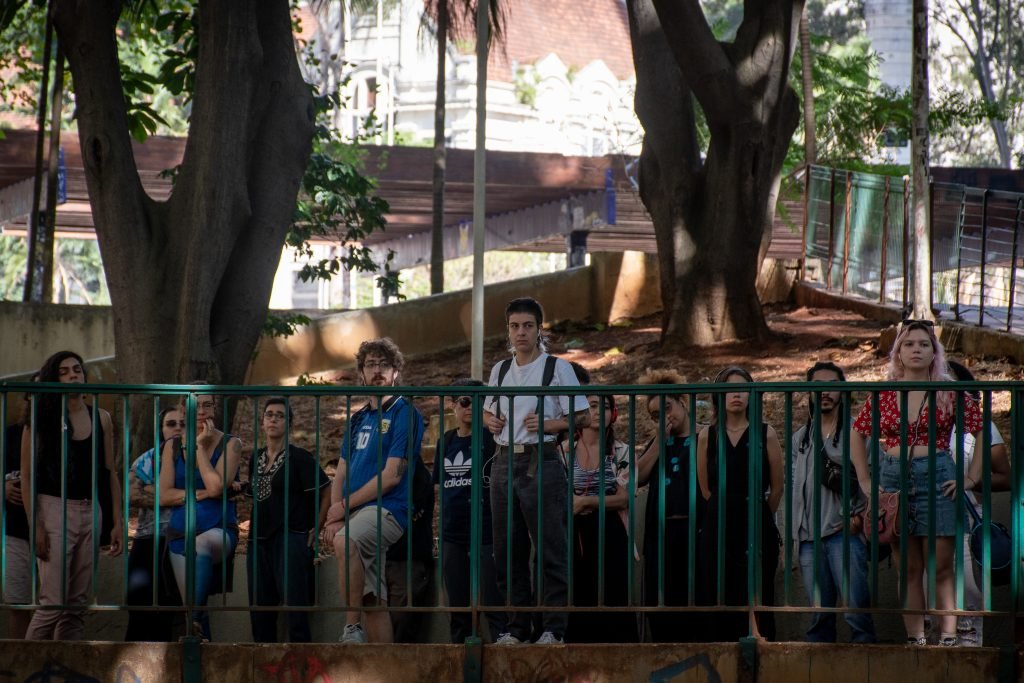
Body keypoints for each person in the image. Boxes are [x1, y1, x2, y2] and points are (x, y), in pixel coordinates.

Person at [850, 320, 984, 646]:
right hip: (895, 478)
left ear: (934, 352)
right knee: (908, 570)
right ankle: (917, 640)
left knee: (941, 568)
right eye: (909, 344)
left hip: (938, 477)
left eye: (924, 344)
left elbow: (979, 427)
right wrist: (865, 479)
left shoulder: (948, 391)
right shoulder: (885, 394)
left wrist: (971, 477)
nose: (916, 349)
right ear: (898, 351)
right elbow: (859, 432)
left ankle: (949, 639)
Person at [483, 297, 590, 645]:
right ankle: (516, 628)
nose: (521, 332)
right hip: (503, 462)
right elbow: (486, 414)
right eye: (514, 326)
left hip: (540, 459)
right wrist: (490, 420)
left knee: (549, 548)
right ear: (508, 330)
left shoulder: (557, 368)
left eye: (528, 325)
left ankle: (552, 628)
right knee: (508, 551)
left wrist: (548, 423)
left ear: (539, 329)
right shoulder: (499, 370)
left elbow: (582, 416)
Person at [326, 338, 425, 644]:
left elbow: (392, 476)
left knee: (346, 541)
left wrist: (343, 508)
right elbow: (341, 470)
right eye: (371, 364)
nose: (378, 370)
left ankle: (351, 628)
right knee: (374, 602)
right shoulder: (357, 418)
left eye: (385, 364)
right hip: (355, 512)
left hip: (389, 509)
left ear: (396, 371)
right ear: (361, 373)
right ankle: (386, 668)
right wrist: (333, 515)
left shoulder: (404, 412)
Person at [20, 351, 124, 640]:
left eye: (76, 369)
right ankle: (26, 669)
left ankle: (68, 671)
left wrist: (117, 521)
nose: (72, 375)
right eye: (64, 371)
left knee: (76, 606)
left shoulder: (101, 418)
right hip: (52, 508)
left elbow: (110, 472)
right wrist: (35, 524)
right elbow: (26, 475)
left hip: (91, 510)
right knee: (52, 603)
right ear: (54, 378)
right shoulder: (40, 418)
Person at [789, 361, 876, 644]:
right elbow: (793, 486)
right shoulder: (800, 438)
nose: (824, 392)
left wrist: (860, 518)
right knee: (818, 617)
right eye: (817, 386)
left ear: (843, 392)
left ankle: (867, 665)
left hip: (844, 535)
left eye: (831, 386)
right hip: (807, 540)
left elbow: (874, 476)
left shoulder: (857, 433)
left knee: (857, 615)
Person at [697, 365, 783, 641]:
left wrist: (758, 515)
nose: (737, 394)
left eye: (743, 389)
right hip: (718, 523)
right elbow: (705, 489)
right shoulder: (706, 436)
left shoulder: (765, 433)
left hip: (756, 520)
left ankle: (760, 650)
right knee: (718, 590)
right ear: (718, 397)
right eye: (730, 389)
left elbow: (777, 487)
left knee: (757, 590)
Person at [159, 391, 242, 641]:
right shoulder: (172, 446)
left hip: (218, 528)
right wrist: (201, 493)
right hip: (180, 531)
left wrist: (198, 448)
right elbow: (163, 495)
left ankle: (194, 624)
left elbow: (216, 487)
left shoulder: (231, 443)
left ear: (215, 409)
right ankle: (203, 663)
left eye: (208, 405)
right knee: (195, 608)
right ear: (184, 411)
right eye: (196, 406)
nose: (203, 410)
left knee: (202, 545)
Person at [246, 397, 330, 643]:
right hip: (258, 538)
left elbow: (326, 490)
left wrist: (318, 525)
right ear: (262, 422)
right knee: (259, 608)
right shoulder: (255, 458)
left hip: (290, 535)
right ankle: (263, 664)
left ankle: (301, 666)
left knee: (295, 606)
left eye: (280, 415)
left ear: (289, 424)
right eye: (269, 414)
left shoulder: (300, 458)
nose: (273, 419)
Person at [940, 360, 1009, 646]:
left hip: (965, 524)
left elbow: (1006, 478)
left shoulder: (981, 428)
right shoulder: (912, 422)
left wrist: (969, 481)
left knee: (968, 600)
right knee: (927, 607)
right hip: (922, 523)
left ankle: (970, 659)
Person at [561, 392, 638, 643]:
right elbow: (554, 496)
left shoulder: (621, 451)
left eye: (604, 407)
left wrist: (586, 501)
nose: (597, 412)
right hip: (574, 533)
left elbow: (624, 498)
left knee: (614, 597)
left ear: (612, 414)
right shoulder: (562, 451)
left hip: (611, 531)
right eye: (591, 406)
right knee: (577, 598)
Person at [635, 369, 705, 643]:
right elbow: (636, 478)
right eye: (655, 415)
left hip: (696, 534)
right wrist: (658, 445)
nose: (665, 417)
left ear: (682, 403)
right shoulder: (657, 444)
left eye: (667, 408)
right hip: (661, 537)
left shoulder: (705, 439)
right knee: (661, 605)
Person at [434, 379, 504, 643]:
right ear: (453, 406)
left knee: (494, 599)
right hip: (454, 531)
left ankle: (501, 648)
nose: (470, 407)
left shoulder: (492, 438)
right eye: (464, 401)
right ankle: (460, 658)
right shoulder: (446, 441)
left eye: (477, 401)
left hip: (487, 528)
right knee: (458, 604)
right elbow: (441, 488)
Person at [124, 406, 183, 642]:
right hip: (148, 538)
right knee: (138, 604)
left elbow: (208, 493)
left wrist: (152, 489)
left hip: (181, 539)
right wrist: (173, 495)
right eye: (170, 423)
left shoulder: (199, 458)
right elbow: (132, 495)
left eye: (182, 423)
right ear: (161, 429)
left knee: (170, 611)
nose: (177, 428)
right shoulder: (147, 458)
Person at [4, 381, 36, 638]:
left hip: (54, 529)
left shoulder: (64, 434)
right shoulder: (9, 435)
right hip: (15, 532)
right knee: (18, 605)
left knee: (51, 608)